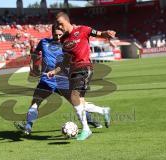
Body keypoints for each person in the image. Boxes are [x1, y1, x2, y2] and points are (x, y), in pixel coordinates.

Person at [14, 25, 104, 136]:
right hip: (46, 80)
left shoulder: (67, 44)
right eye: (55, 34)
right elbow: (35, 54)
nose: (57, 37)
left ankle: (95, 118)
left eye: (59, 35)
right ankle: (28, 127)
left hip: (63, 80)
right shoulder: (43, 42)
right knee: (35, 102)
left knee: (77, 103)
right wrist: (33, 66)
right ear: (51, 33)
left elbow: (73, 58)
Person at [47, 12, 116, 140]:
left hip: (84, 68)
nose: (59, 27)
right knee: (80, 102)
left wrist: (106, 33)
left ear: (67, 21)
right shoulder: (64, 40)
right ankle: (103, 111)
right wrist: (54, 71)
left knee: (74, 97)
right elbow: (65, 61)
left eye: (61, 24)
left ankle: (86, 129)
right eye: (57, 25)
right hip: (73, 72)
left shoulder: (83, 30)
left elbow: (100, 33)